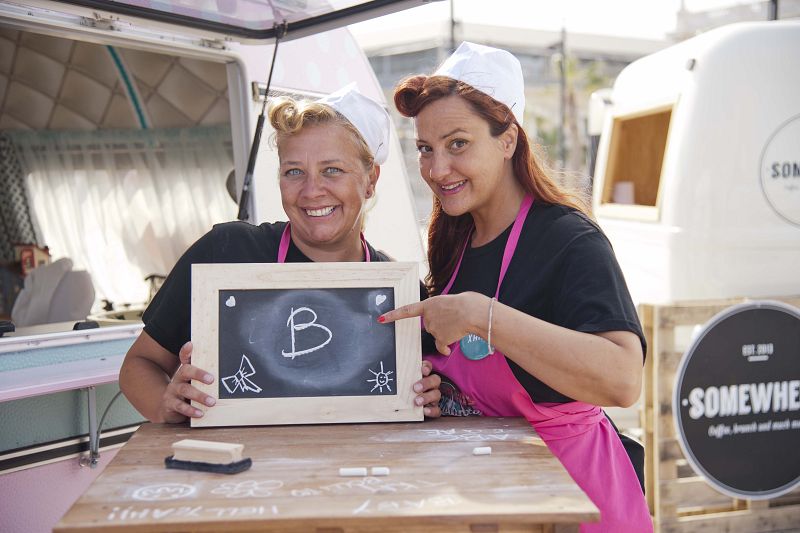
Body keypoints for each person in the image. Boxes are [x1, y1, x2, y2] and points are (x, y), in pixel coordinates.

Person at [381, 42, 652, 531]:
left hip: (576, 501)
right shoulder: (454, 240)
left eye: (457, 144)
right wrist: (437, 395)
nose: (437, 169)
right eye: (425, 149)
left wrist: (480, 316)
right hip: (495, 500)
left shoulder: (568, 239)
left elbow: (623, 379)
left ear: (508, 139)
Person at [120, 85, 441, 424]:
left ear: (370, 180)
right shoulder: (227, 251)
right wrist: (166, 405)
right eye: (294, 172)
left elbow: (430, 395)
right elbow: (138, 365)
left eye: (332, 170)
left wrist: (433, 395)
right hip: (238, 458)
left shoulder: (403, 296)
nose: (312, 190)